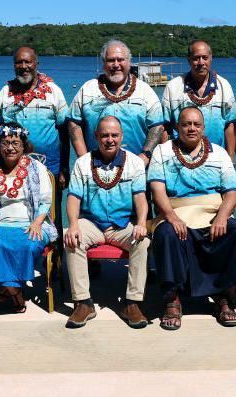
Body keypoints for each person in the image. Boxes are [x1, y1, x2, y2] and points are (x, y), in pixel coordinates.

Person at [149, 107, 236, 330]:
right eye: (186, 124)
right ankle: (172, 299)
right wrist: (171, 216)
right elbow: (157, 189)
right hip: (176, 211)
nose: (191, 129)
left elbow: (231, 192)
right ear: (178, 127)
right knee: (166, 233)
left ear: (203, 128)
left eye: (196, 124)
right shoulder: (162, 151)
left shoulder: (218, 153)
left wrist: (222, 217)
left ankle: (225, 296)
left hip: (212, 212)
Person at [64, 116, 149, 329]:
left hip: (121, 225)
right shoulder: (83, 163)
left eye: (114, 135)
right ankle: (83, 302)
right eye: (104, 135)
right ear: (96, 137)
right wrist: (73, 224)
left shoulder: (135, 163)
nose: (109, 140)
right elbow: (73, 197)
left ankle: (132, 303)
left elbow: (140, 198)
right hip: (92, 222)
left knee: (142, 242)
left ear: (121, 137)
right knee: (73, 239)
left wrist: (140, 223)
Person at [0, 123, 57, 313]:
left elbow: (45, 201)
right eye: (5, 143)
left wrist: (37, 222)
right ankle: (15, 291)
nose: (10, 147)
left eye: (15, 143)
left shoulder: (36, 168)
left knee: (28, 244)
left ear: (23, 145)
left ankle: (8, 289)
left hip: (32, 223)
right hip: (0, 223)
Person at [67, 40, 164, 165]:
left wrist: (145, 156)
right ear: (104, 64)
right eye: (111, 60)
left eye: (120, 60)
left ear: (129, 62)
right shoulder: (87, 90)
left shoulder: (145, 91)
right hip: (94, 167)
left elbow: (157, 127)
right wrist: (83, 158)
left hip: (137, 168)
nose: (116, 64)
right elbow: (74, 123)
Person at [0, 46, 70, 198]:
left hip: (50, 168)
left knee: (52, 217)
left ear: (36, 64)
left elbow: (64, 132)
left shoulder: (53, 91)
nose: (23, 67)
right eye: (18, 62)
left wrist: (64, 168)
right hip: (12, 170)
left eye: (27, 62)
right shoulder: (5, 93)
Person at [161, 40, 236, 155]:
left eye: (205, 58)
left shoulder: (224, 86)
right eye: (196, 58)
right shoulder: (173, 87)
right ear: (189, 60)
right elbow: (165, 126)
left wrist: (230, 160)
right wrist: (165, 156)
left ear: (211, 58)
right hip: (180, 155)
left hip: (215, 157)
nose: (201, 62)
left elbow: (230, 125)